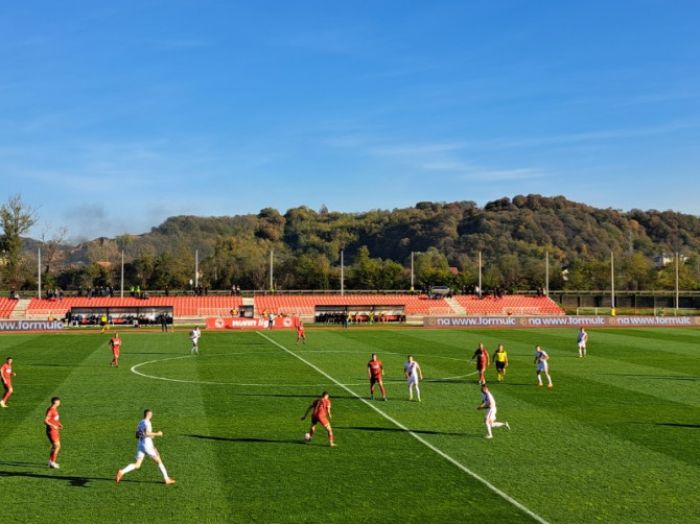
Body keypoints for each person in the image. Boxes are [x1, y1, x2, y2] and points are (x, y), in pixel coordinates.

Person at [115, 409, 176, 485]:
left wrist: (150, 436)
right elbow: (147, 433)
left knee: (137, 464)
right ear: (149, 414)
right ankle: (166, 479)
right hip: (147, 445)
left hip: (140, 444)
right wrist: (158, 434)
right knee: (159, 460)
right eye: (151, 414)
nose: (152, 415)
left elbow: (137, 435)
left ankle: (122, 471)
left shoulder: (140, 422)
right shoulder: (147, 422)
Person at [44, 396, 63, 468]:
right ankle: (53, 462)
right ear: (57, 402)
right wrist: (53, 426)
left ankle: (50, 461)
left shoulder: (54, 409)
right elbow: (45, 421)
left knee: (55, 446)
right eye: (59, 401)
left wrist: (59, 424)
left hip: (55, 430)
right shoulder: (51, 410)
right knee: (57, 446)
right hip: (52, 431)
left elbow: (54, 419)